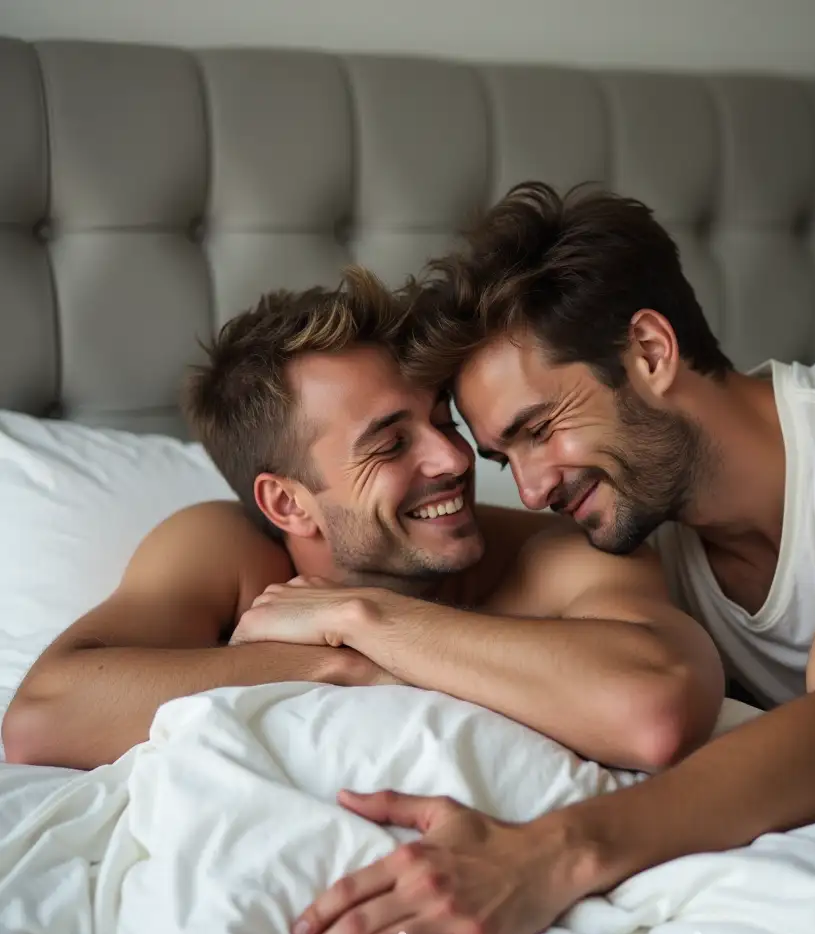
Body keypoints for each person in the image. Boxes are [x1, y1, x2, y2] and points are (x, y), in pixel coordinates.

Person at [282, 181, 815, 934]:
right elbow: (436, 611)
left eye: (537, 431)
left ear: (649, 350)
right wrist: (348, 623)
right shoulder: (628, 536)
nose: (529, 490)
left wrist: (550, 854)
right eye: (503, 459)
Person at [1, 266, 723, 779]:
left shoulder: (559, 552)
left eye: (441, 420)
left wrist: (362, 617)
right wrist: (338, 664)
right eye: (390, 442)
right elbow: (42, 719)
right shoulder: (228, 548)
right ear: (287, 504)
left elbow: (653, 713)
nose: (453, 457)